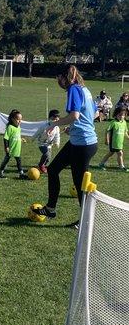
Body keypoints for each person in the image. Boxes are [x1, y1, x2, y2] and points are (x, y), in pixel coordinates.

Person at [32, 65, 98, 229]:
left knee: (80, 184)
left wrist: (54, 124)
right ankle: (51, 209)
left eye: (58, 79)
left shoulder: (73, 89)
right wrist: (73, 128)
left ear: (63, 77)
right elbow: (95, 114)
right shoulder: (85, 89)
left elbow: (74, 115)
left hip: (83, 144)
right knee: (53, 170)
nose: (58, 82)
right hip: (80, 141)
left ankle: (86, 222)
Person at [0, 109, 26, 179]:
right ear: (13, 119)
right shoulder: (10, 127)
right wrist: (6, 147)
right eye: (18, 119)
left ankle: (21, 174)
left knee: (19, 161)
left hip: (17, 148)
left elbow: (17, 136)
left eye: (21, 119)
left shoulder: (18, 128)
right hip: (11, 148)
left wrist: (21, 139)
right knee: (6, 161)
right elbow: (6, 138)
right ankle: (0, 173)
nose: (20, 121)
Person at [98, 107, 129, 172]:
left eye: (123, 115)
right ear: (116, 115)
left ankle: (101, 163)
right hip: (114, 142)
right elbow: (107, 130)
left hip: (120, 143)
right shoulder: (113, 122)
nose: (121, 116)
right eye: (120, 115)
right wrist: (107, 139)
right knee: (120, 153)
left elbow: (125, 132)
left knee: (110, 153)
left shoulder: (124, 123)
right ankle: (121, 167)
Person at [32, 109, 60, 173]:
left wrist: (57, 142)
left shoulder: (57, 128)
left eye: (57, 120)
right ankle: (41, 165)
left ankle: (43, 166)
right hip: (41, 144)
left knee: (48, 158)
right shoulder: (44, 126)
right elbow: (37, 132)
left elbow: (57, 136)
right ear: (50, 118)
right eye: (54, 119)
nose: (55, 121)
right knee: (46, 154)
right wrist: (33, 138)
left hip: (49, 145)